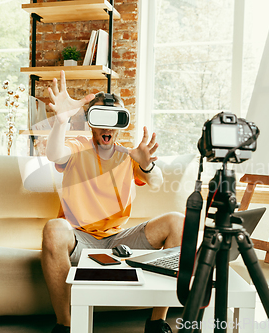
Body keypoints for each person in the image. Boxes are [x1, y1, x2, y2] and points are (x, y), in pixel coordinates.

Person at [42, 71, 184, 333]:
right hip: (79, 237)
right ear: (91, 122)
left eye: (114, 119)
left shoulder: (128, 155)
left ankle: (156, 322)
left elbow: (156, 182)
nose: (107, 127)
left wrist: (146, 163)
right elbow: (54, 154)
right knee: (53, 228)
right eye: (100, 118)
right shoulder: (78, 146)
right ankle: (65, 325)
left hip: (119, 240)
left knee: (177, 221)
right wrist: (61, 122)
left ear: (121, 123)